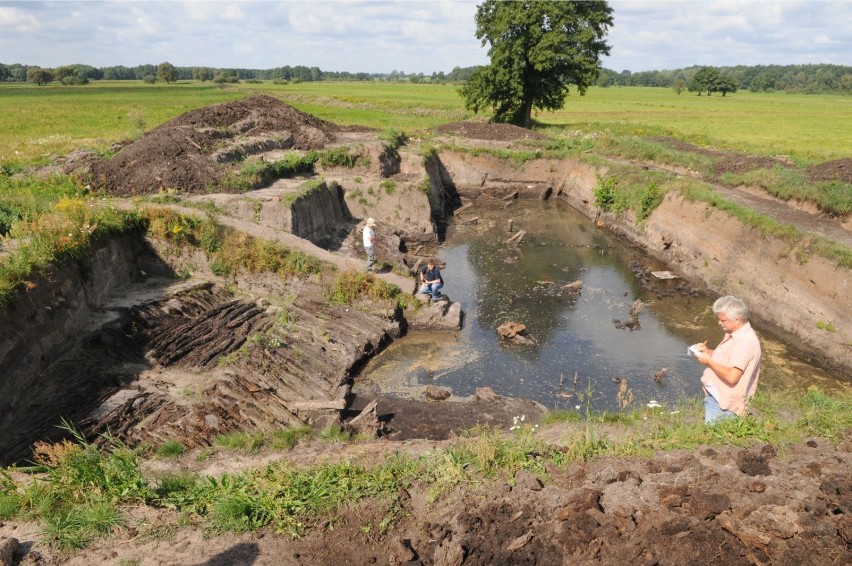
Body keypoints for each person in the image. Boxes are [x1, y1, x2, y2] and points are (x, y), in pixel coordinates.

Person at [693, 295, 762, 424]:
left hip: (724, 405)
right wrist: (707, 352)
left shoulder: (744, 342)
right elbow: (727, 358)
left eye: (723, 320)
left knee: (715, 440)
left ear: (737, 319)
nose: (719, 323)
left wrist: (708, 361)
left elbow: (732, 376)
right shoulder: (734, 334)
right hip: (718, 397)